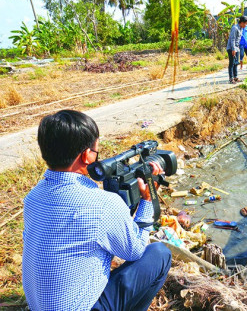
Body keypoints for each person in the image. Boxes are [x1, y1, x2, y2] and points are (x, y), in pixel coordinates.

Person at [22, 110, 171, 311]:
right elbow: (134, 251)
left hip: (38, 306)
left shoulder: (33, 197)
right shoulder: (103, 205)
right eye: (96, 151)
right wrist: (147, 199)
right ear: (86, 155)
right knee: (159, 253)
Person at [227, 16, 247, 84]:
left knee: (236, 63)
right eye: (245, 23)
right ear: (242, 22)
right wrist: (233, 49)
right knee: (232, 63)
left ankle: (235, 77)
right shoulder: (235, 28)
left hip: (237, 48)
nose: (246, 25)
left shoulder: (241, 29)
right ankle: (231, 78)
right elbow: (232, 39)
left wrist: (236, 49)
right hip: (231, 48)